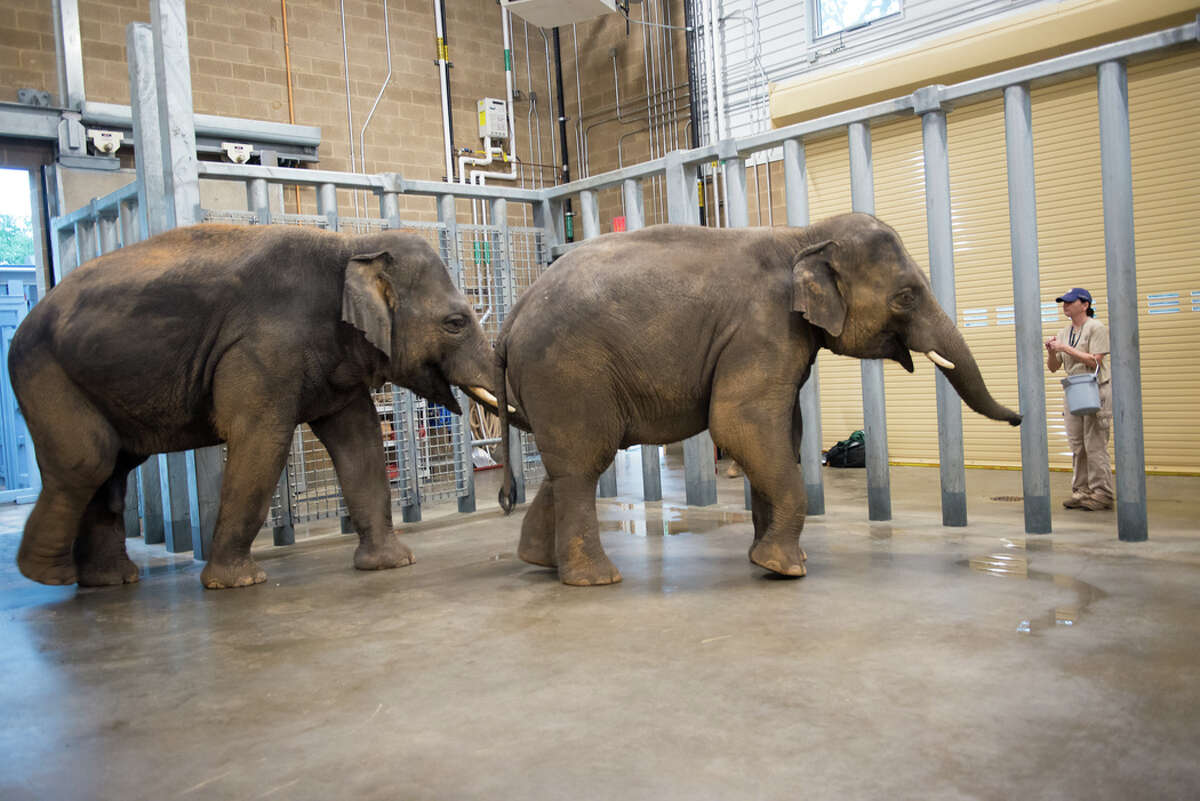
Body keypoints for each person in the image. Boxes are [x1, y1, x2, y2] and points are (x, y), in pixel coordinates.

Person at [1045, 287, 1113, 511]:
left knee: (1095, 444)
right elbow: (1054, 368)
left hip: (1095, 388)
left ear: (1085, 305)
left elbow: (1095, 361)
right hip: (1074, 390)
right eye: (1064, 302)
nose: (1065, 305)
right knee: (1077, 444)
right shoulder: (1064, 331)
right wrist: (1052, 352)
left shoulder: (1096, 327)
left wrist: (1064, 347)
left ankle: (1102, 493)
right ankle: (1082, 491)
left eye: (1070, 302)